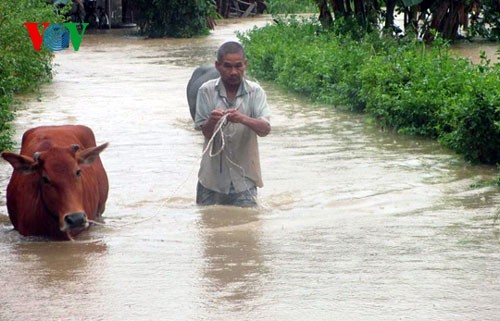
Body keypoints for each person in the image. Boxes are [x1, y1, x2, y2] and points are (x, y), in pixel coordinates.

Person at [194, 41, 271, 207]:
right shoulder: (205, 91)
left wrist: (243, 118)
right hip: (211, 181)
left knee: (248, 228)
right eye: (227, 66)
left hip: (245, 181)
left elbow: (265, 129)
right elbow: (206, 133)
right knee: (207, 228)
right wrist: (212, 120)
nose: (233, 72)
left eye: (238, 66)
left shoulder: (255, 92)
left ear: (245, 65)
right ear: (217, 66)